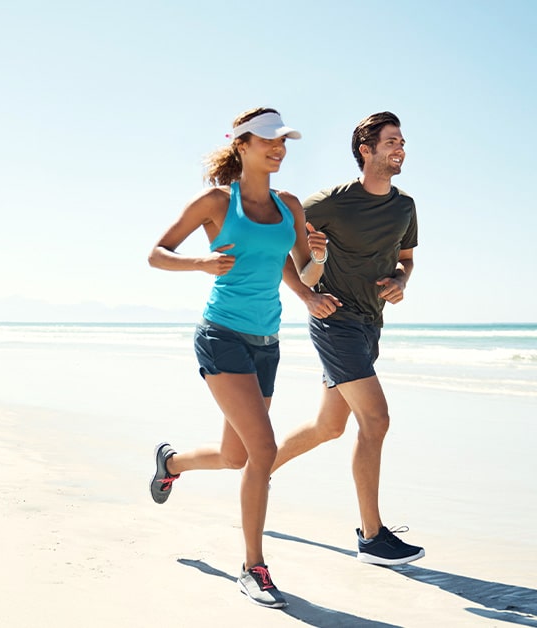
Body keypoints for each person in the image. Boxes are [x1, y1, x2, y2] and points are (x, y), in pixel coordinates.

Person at [146, 108, 326, 609]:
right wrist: (198, 262)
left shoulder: (289, 205)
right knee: (264, 450)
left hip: (266, 342)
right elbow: (157, 252)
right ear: (241, 144)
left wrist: (317, 266)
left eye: (283, 141)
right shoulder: (215, 202)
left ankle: (171, 461)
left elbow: (300, 272)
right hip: (220, 334)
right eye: (269, 140)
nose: (279, 148)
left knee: (237, 456)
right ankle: (254, 567)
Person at [276, 111, 425, 566]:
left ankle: (257, 472)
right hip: (334, 320)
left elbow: (406, 260)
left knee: (329, 427)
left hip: (369, 325)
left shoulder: (405, 207)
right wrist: (304, 294)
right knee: (375, 421)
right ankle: (371, 536)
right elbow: (279, 243)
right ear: (366, 149)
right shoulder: (330, 202)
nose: (400, 149)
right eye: (391, 141)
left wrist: (401, 281)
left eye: (402, 141)